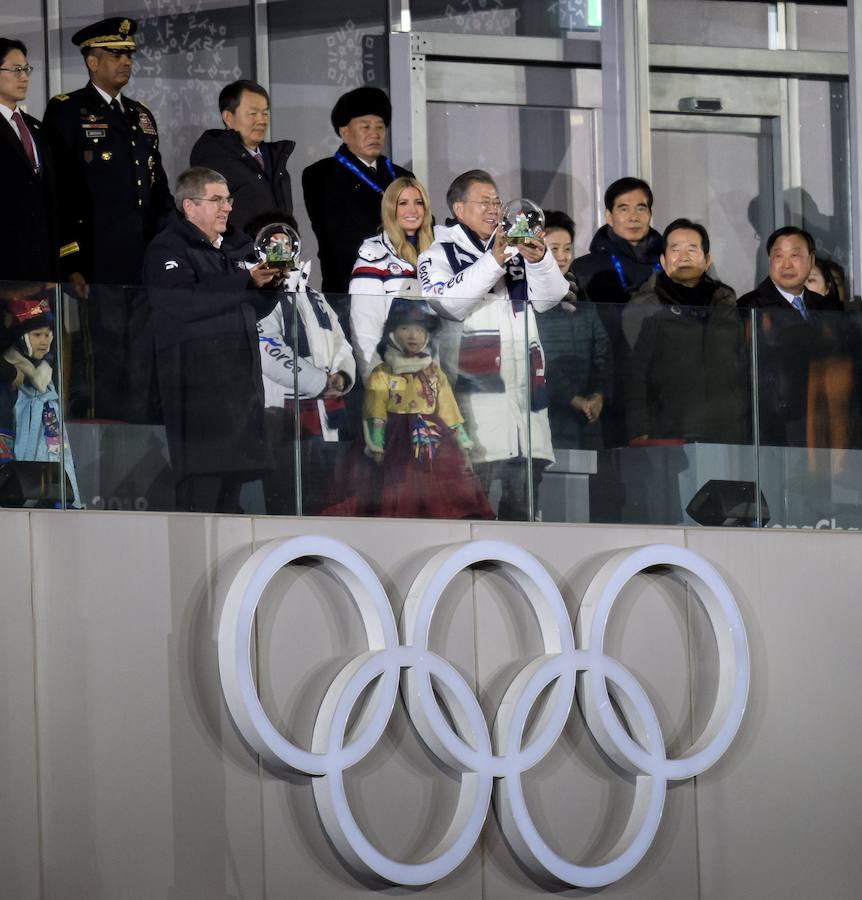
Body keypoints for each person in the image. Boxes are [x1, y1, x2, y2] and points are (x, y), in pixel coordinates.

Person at [42, 17, 174, 421]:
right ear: (91, 61)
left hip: (143, 261)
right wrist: (70, 261)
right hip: (97, 263)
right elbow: (57, 192)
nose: (125, 62)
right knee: (106, 360)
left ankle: (139, 440)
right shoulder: (67, 111)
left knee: (143, 361)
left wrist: (171, 248)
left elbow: (158, 188)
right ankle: (107, 460)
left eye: (129, 54)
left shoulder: (139, 114)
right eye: (116, 54)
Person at [418, 169, 567, 520]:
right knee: (472, 514)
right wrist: (495, 260)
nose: (493, 209)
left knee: (524, 517)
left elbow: (550, 299)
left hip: (525, 405)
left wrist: (539, 259)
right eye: (483, 201)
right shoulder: (437, 254)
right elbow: (448, 304)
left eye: (497, 201)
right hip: (474, 408)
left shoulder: (517, 249)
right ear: (458, 208)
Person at [142, 167, 279, 513]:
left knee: (231, 502)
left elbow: (252, 308)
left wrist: (269, 285)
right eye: (217, 199)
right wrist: (244, 281)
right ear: (189, 206)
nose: (227, 207)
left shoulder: (238, 245)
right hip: (199, 399)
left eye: (228, 199)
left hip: (240, 395)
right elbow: (180, 303)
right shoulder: (167, 248)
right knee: (201, 501)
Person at [332, 299, 492, 519]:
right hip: (395, 439)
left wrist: (461, 440)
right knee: (397, 487)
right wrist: (376, 445)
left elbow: (448, 409)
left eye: (419, 329)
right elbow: (375, 411)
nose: (412, 335)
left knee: (438, 491)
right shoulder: (382, 373)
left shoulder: (434, 372)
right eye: (405, 328)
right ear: (392, 333)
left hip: (433, 440)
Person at [247, 212, 356, 516]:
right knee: (286, 504)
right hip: (283, 419)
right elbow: (267, 349)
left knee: (327, 503)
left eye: (287, 241)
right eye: (273, 243)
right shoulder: (259, 296)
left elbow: (340, 342)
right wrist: (321, 383)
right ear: (259, 248)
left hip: (327, 419)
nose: (282, 249)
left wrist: (343, 378)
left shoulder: (313, 294)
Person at [623, 218, 747, 444]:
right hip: (668, 432)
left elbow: (744, 366)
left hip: (728, 430)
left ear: (707, 260)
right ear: (662, 260)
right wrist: (639, 429)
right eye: (675, 249)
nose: (684, 256)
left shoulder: (726, 305)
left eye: (692, 249)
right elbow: (634, 376)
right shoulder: (645, 307)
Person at [571, 177, 662, 450]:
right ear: (608, 216)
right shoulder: (586, 267)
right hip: (606, 388)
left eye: (641, 208)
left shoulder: (669, 264)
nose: (633, 216)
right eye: (624, 208)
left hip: (659, 389)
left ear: (650, 213)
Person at [302, 86, 413, 296]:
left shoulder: (402, 176)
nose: (375, 134)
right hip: (349, 285)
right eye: (365, 127)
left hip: (403, 285)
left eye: (380, 127)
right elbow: (334, 234)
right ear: (344, 132)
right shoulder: (321, 174)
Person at [738, 226, 837, 447]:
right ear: (769, 260)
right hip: (775, 423)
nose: (786, 264)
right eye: (778, 256)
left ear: (811, 260)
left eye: (795, 255)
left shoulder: (825, 306)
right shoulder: (750, 306)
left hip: (822, 416)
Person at [535, 210, 612, 450]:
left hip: (587, 423)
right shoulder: (526, 299)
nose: (562, 257)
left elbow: (604, 355)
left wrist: (598, 395)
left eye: (567, 249)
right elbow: (535, 360)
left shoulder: (583, 298)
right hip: (546, 420)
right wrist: (573, 399)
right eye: (553, 249)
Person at [349, 176, 434, 383]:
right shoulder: (373, 256)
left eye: (418, 202)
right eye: (402, 203)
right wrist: (374, 379)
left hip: (433, 376)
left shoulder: (438, 251)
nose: (412, 210)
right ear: (390, 209)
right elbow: (365, 326)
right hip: (392, 377)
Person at [189, 80, 295, 235]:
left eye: (265, 113)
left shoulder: (274, 158)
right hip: (236, 257)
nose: (261, 120)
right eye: (253, 113)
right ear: (228, 117)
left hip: (276, 255)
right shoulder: (214, 160)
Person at [2, 297, 80, 506]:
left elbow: (58, 447)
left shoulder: (47, 386)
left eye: (47, 334)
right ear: (21, 338)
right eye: (36, 335)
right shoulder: (10, 385)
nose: (44, 340)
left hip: (45, 491)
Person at [0, 38, 60, 282]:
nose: (24, 77)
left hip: (40, 265)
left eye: (26, 69)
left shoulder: (34, 127)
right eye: (16, 70)